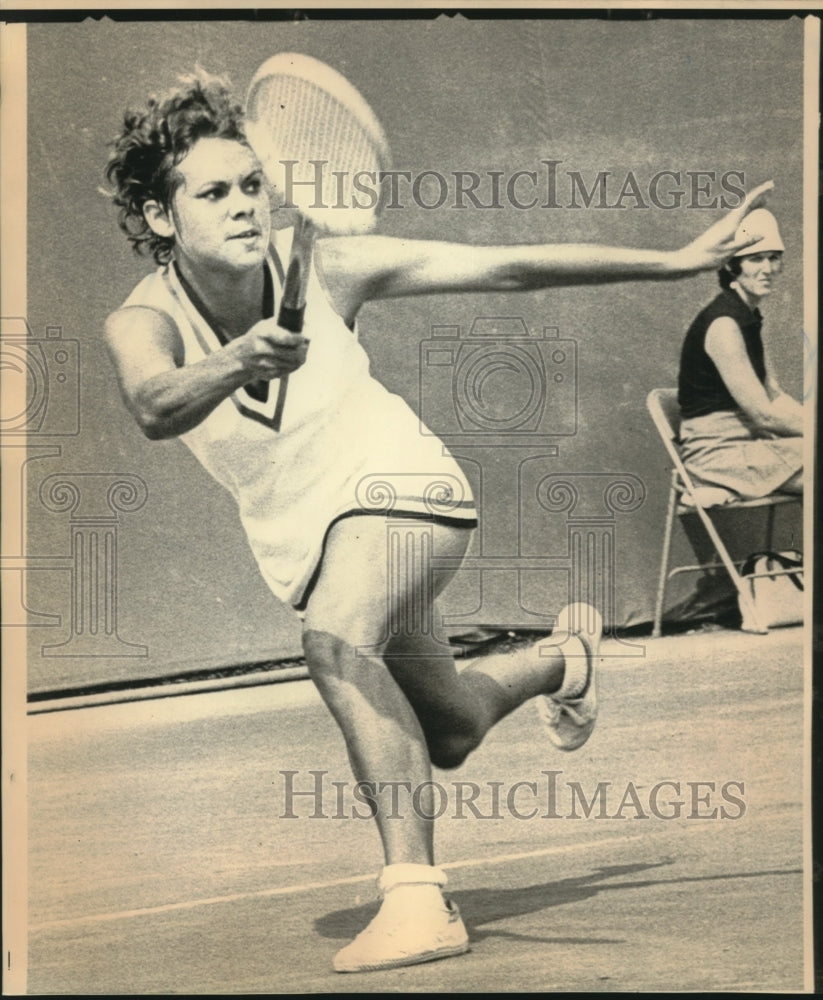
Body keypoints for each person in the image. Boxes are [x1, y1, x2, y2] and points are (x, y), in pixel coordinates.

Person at [103, 70, 774, 974]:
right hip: (319, 543)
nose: (242, 206)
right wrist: (236, 358)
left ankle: (417, 900)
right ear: (158, 217)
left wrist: (674, 262)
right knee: (449, 729)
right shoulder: (144, 319)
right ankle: (561, 662)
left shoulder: (326, 264)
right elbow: (153, 404)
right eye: (213, 192)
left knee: (337, 647)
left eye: (253, 184)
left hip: (405, 491)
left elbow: (504, 266)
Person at [677, 208, 803, 503]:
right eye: (756, 259)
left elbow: (773, 395)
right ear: (733, 266)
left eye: (774, 258)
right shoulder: (724, 324)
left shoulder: (747, 317)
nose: (768, 269)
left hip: (750, 445)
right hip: (716, 457)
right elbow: (764, 415)